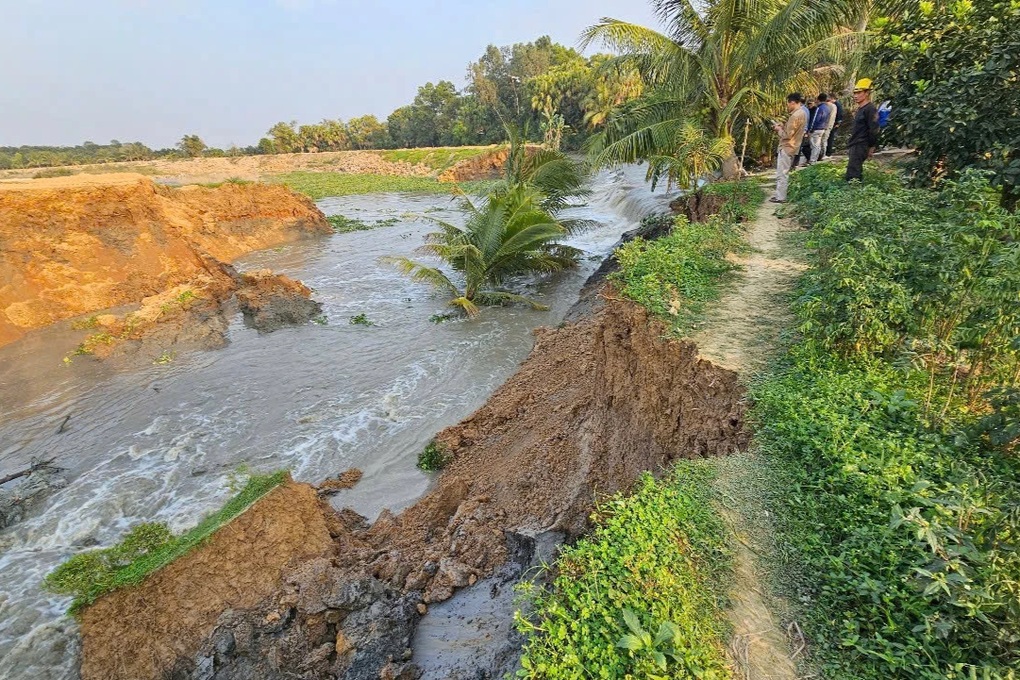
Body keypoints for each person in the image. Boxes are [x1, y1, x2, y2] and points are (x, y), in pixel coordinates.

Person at [771, 93, 808, 203]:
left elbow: (787, 135)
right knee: (783, 173)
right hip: (793, 146)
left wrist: (778, 129)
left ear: (792, 102)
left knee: (782, 173)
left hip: (787, 147)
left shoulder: (795, 115)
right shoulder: (802, 113)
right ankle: (780, 196)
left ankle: (781, 197)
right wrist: (784, 126)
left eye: (788, 103)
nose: (787, 105)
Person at [846, 78, 879, 182]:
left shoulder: (870, 109)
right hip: (855, 144)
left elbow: (874, 129)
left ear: (867, 93)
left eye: (859, 93)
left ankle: (853, 192)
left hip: (861, 144)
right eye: (855, 93)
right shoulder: (861, 109)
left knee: (853, 173)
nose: (855, 96)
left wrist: (871, 147)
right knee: (852, 170)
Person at [792, 98, 816, 169]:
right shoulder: (806, 109)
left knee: (798, 148)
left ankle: (795, 164)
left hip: (800, 131)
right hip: (804, 130)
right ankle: (796, 163)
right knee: (802, 146)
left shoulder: (801, 110)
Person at [810, 93, 832, 163]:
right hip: (823, 128)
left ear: (818, 99)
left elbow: (815, 119)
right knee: (818, 145)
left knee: (814, 145)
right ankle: (816, 158)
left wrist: (810, 129)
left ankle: (813, 160)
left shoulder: (819, 108)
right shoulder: (828, 108)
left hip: (816, 129)